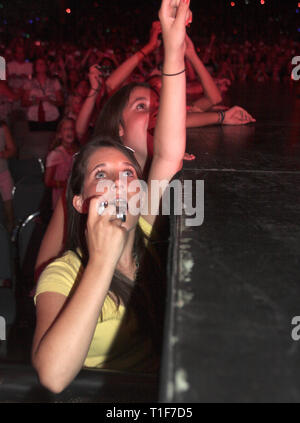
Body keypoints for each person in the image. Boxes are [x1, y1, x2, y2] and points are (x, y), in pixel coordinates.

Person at [31, 0, 191, 393]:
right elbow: (52, 376)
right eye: (101, 175)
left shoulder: (148, 233)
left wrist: (172, 46)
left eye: (128, 174)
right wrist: (102, 261)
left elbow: (168, 153)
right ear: (81, 203)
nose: (121, 182)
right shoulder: (63, 273)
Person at [44, 118, 80, 210]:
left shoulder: (79, 152)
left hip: (76, 197)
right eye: (65, 129)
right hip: (60, 198)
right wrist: (66, 184)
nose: (69, 132)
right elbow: (48, 181)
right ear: (60, 134)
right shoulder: (55, 154)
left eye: (71, 129)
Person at [22, 58, 64, 130]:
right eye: (39, 64)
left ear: (46, 67)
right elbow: (23, 102)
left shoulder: (54, 82)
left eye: (43, 64)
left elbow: (61, 102)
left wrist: (50, 101)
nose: (41, 65)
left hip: (51, 117)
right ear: (35, 67)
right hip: (33, 117)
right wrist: (33, 102)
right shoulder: (29, 83)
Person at [0, 122, 17, 232]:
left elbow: (12, 150)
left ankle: (9, 240)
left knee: (9, 210)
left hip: (2, 172)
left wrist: (2, 154)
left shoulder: (2, 128)